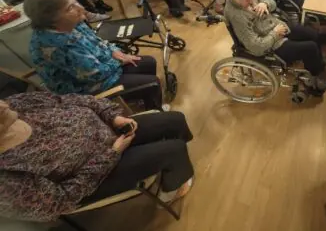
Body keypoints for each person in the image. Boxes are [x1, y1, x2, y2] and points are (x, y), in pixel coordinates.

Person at [0, 92, 194, 222]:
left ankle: (172, 164)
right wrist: (111, 154)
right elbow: (58, 202)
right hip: (97, 176)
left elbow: (68, 99)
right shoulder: (5, 177)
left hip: (110, 130)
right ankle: (172, 187)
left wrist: (112, 116)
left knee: (175, 119)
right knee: (173, 150)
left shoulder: (15, 105)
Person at [24, 0, 164, 110]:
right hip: (86, 88)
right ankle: (153, 112)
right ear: (51, 18)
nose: (80, 8)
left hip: (102, 67)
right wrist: (119, 61)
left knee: (149, 62)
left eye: (75, 2)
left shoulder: (72, 22)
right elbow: (94, 74)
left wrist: (114, 51)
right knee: (152, 83)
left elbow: (97, 41)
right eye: (70, 8)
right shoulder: (56, 45)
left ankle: (142, 99)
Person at [224, 0, 326, 93]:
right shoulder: (237, 16)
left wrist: (265, 4)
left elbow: (272, 2)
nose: (252, 1)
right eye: (248, 0)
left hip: (278, 27)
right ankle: (316, 81)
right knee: (310, 48)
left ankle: (318, 59)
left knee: (310, 33)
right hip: (272, 45)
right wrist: (275, 34)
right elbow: (255, 46)